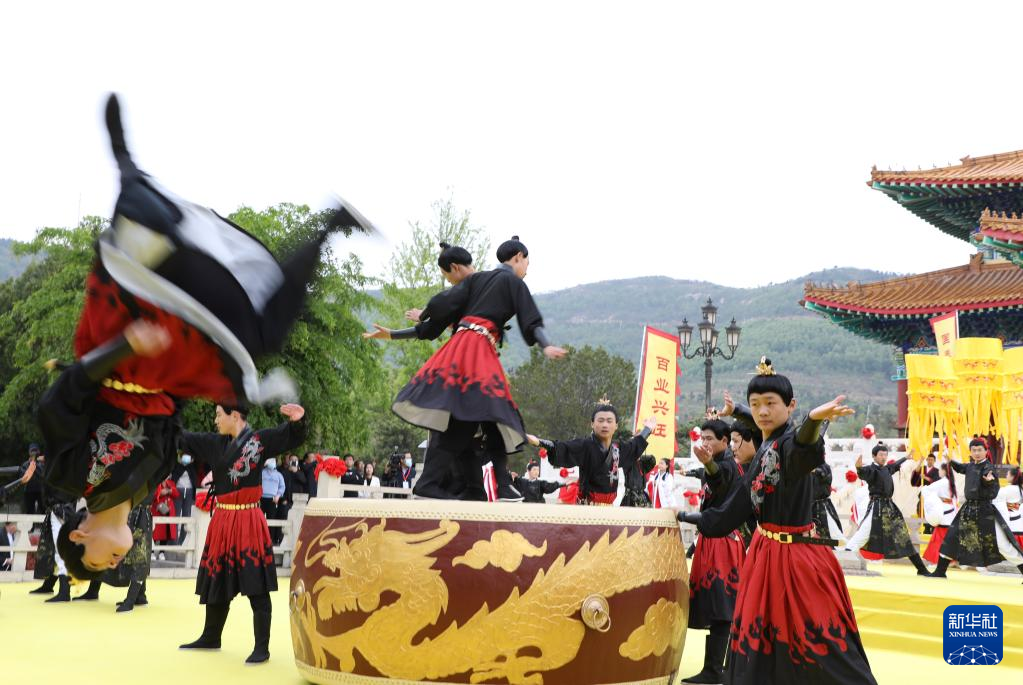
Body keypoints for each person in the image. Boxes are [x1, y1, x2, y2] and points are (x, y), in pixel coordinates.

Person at [42, 95, 373, 581]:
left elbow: (61, 400)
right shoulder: (148, 483)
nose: (111, 565)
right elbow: (172, 417)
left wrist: (125, 347)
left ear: (77, 536)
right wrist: (224, 382)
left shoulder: (71, 476)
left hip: (124, 355)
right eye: (110, 568)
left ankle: (124, 161)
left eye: (96, 562)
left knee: (150, 232)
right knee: (260, 335)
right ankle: (331, 225)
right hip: (171, 367)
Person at [679, 358, 876, 685]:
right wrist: (737, 410)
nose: (763, 411)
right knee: (761, 637)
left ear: (791, 406)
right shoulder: (767, 441)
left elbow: (802, 445)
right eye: (756, 403)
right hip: (766, 552)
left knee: (816, 637)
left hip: (796, 558)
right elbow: (758, 429)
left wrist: (812, 420)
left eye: (771, 403)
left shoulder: (789, 443)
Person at [365, 238, 566, 500]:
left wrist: (398, 331)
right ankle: (489, 484)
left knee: (487, 412)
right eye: (527, 261)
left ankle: (495, 485)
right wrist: (546, 345)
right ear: (518, 256)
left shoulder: (476, 280)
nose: (527, 268)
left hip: (460, 348)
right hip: (476, 349)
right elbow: (531, 320)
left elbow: (443, 304)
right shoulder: (514, 282)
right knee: (488, 411)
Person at [178, 403, 307, 664]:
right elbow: (184, 439)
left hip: (248, 518)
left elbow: (291, 436)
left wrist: (298, 422)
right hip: (223, 519)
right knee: (217, 579)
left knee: (256, 583)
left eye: (219, 415)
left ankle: (262, 647)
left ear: (234, 416)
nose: (215, 420)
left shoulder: (259, 441)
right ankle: (211, 636)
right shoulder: (215, 443)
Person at [679, 419, 746, 684]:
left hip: (722, 543)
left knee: (722, 607)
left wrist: (708, 464)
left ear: (724, 441)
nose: (705, 443)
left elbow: (718, 478)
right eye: (702, 438)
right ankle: (717, 669)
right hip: (715, 540)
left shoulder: (727, 466)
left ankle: (715, 670)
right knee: (720, 605)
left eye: (709, 438)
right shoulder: (722, 463)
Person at [527, 401, 655, 505]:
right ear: (592, 424)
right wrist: (539, 442)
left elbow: (634, 446)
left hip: (609, 509)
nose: (605, 425)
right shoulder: (584, 445)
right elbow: (562, 447)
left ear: (616, 425)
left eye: (609, 421)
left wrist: (648, 429)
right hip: (587, 506)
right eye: (601, 420)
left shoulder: (618, 448)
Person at [931, 439, 1023, 580]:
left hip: (985, 511)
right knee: (952, 537)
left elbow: (994, 490)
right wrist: (950, 460)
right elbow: (960, 467)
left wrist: (988, 482)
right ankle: (940, 571)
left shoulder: (989, 468)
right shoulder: (970, 466)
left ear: (986, 451)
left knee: (1002, 545)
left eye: (980, 450)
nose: (977, 453)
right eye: (974, 450)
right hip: (968, 509)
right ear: (971, 452)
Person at [842, 444, 929, 574]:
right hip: (876, 507)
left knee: (902, 536)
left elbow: (895, 465)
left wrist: (906, 457)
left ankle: (921, 569)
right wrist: (858, 466)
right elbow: (862, 472)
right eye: (881, 455)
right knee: (863, 533)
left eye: (885, 455)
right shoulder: (871, 470)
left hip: (889, 507)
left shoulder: (887, 469)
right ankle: (845, 557)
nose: (884, 457)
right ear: (874, 456)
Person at [74, 495, 154, 612]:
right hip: (123, 510)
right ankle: (139, 596)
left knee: (139, 555)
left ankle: (132, 598)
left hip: (138, 514)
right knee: (107, 548)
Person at [921, 463, 959, 565]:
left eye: (940, 470)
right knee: (947, 539)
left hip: (943, 512)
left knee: (939, 539)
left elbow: (926, 490)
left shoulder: (942, 482)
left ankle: (937, 561)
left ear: (944, 471)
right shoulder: (951, 482)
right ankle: (950, 560)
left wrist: (933, 496)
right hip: (951, 512)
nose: (938, 471)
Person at [171, 453, 197, 545]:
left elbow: (194, 479)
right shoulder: (177, 466)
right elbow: (174, 477)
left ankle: (183, 540)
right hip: (178, 490)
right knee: (176, 515)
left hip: (189, 491)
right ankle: (174, 540)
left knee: (186, 515)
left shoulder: (192, 467)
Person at [260, 457, 286, 545]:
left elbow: (282, 486)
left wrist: (278, 495)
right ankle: (259, 540)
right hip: (261, 499)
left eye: (273, 461)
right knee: (259, 520)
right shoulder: (262, 472)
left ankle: (270, 540)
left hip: (273, 500)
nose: (272, 462)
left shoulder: (279, 475)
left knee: (271, 519)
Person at [995, 466, 1023, 549]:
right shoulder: (1020, 489)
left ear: (1013, 477)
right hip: (1018, 522)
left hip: (1010, 524)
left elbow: (995, 501)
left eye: (1007, 474)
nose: (1006, 476)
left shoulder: (1006, 490)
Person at [150, 476, 178, 558]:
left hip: (168, 511)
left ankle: (162, 552)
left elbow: (177, 494)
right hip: (157, 510)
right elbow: (151, 495)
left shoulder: (170, 483)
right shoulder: (155, 481)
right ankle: (151, 552)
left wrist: (169, 491)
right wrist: (160, 493)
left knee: (165, 533)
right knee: (155, 533)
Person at [20, 444, 46, 522]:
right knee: (29, 511)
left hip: (40, 490)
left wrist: (34, 464)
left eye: (35, 451)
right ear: (29, 452)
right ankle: (30, 527)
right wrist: (30, 464)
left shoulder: (42, 464)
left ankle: (44, 527)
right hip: (29, 491)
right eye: (32, 451)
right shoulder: (25, 465)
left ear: (39, 452)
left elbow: (42, 475)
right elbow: (22, 477)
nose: (34, 453)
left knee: (43, 510)